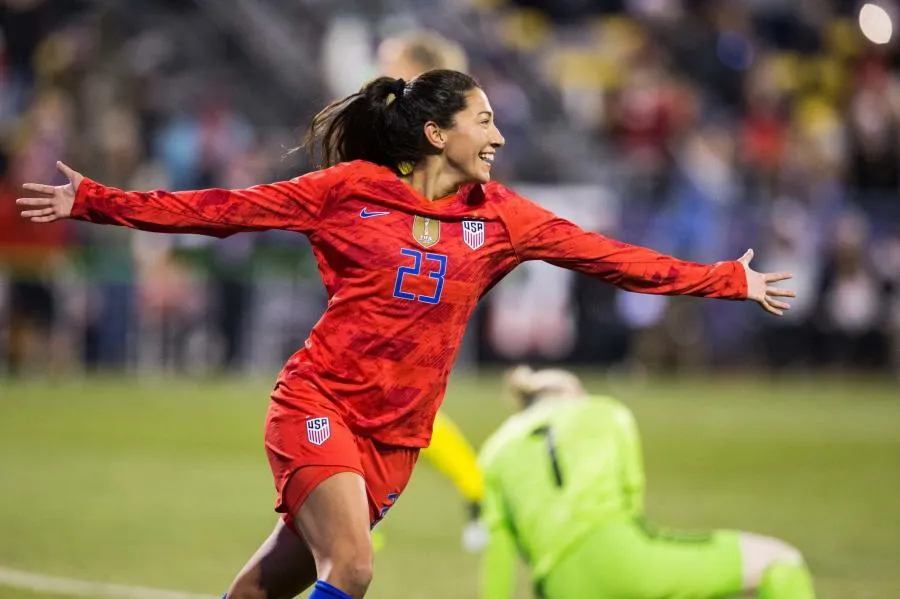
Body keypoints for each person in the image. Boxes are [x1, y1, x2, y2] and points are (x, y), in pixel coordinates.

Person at [17, 69, 795, 599]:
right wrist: (94, 201)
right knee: (351, 566)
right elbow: (222, 210)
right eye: (483, 122)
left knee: (266, 586)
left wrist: (728, 278)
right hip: (318, 403)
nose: (497, 137)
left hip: (395, 441)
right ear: (435, 133)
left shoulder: (502, 217)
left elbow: (613, 258)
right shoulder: (348, 191)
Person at [478, 365, 816, 599]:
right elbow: (632, 497)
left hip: (558, 585)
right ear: (574, 391)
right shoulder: (604, 410)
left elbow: (500, 550)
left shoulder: (494, 452)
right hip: (622, 556)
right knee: (780, 560)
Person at [377, 28, 486, 552]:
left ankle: (477, 490)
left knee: (393, 400)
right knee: (391, 399)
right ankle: (477, 491)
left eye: (390, 61)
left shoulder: (426, 139)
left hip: (408, 276)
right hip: (396, 272)